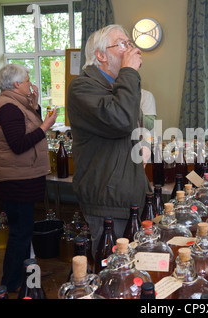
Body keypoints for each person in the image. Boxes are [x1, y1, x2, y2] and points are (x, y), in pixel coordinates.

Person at [67, 25, 150, 256]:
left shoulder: (117, 86)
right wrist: (130, 73)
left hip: (129, 196)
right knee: (110, 274)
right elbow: (120, 120)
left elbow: (132, 127)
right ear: (101, 55)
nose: (130, 49)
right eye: (122, 44)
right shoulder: (82, 87)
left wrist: (142, 145)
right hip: (107, 200)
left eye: (129, 43)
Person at [0, 64, 58, 292]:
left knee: (24, 230)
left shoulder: (17, 103)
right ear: (17, 84)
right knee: (20, 232)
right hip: (16, 180)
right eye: (27, 81)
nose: (31, 84)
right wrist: (46, 125)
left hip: (22, 176)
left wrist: (35, 106)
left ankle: (29, 271)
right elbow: (19, 145)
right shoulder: (8, 108)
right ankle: (11, 283)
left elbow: (28, 128)